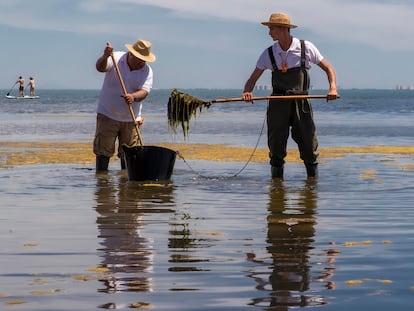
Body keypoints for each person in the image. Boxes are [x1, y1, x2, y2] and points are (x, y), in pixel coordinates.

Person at [242, 12, 339, 180]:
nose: (269, 32)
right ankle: (277, 190)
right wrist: (247, 92)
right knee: (276, 147)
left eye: (271, 28)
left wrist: (332, 89)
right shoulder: (268, 53)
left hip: (301, 103)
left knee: (309, 145)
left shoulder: (305, 48)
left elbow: (328, 68)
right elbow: (252, 79)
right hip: (278, 104)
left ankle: (311, 189)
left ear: (282, 29)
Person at [94, 39, 156, 171]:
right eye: (139, 58)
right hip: (107, 114)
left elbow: (144, 92)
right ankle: (102, 184)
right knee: (103, 152)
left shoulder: (147, 71)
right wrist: (105, 56)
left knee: (129, 155)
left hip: (130, 119)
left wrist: (133, 96)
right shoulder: (115, 58)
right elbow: (100, 68)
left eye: (144, 59)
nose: (141, 62)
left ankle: (126, 185)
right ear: (131, 54)